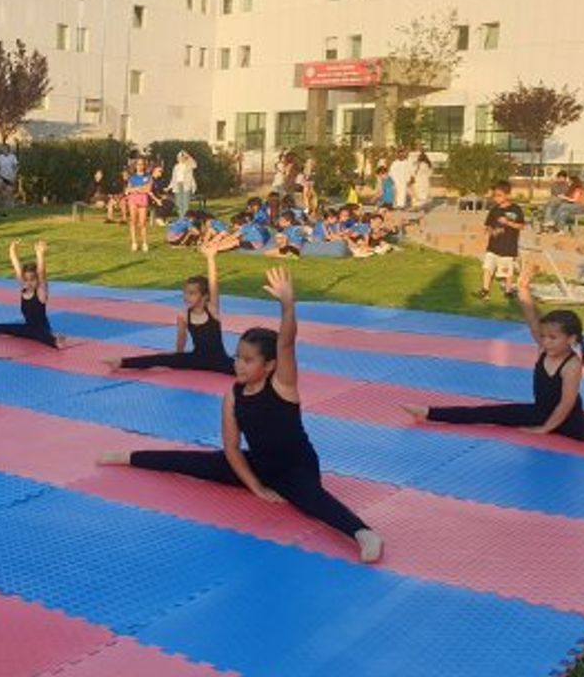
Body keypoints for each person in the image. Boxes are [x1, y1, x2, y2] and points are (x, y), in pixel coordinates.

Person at [99, 268, 385, 563]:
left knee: (311, 500)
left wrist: (288, 305)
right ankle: (130, 457)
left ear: (270, 365)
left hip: (296, 467)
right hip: (256, 465)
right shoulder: (232, 395)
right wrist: (255, 487)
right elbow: (232, 448)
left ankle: (363, 533)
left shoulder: (283, 386)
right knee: (191, 462)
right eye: (238, 357)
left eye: (248, 361)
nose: (239, 365)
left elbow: (286, 343)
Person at [403, 267, 584, 459]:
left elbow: (565, 404)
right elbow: (533, 319)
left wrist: (545, 429)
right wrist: (523, 289)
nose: (546, 342)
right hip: (537, 413)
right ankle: (429, 413)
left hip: (569, 420)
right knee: (487, 413)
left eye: (553, 338)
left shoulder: (572, 365)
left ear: (571, 340)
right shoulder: (545, 348)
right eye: (544, 337)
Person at [106, 244, 234, 373]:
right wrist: (177, 360)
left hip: (220, 361)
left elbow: (213, 284)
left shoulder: (212, 310)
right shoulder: (183, 315)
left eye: (192, 293)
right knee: (160, 358)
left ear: (205, 296)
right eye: (185, 293)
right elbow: (181, 339)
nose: (187, 297)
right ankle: (121, 362)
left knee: (243, 369)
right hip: (197, 359)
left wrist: (210, 258)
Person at [0, 239, 64, 348]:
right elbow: (17, 268)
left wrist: (40, 255)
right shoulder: (24, 288)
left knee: (42, 336)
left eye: (32, 280)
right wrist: (12, 250)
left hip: (42, 330)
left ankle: (56, 341)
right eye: (26, 280)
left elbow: (42, 274)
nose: (29, 283)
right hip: (27, 328)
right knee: (4, 328)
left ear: (37, 280)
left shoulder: (41, 293)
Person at [478, 180, 525, 301]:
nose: (496, 198)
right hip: (493, 246)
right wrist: (491, 231)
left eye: (499, 195)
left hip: (508, 247)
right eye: (494, 195)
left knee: (507, 271)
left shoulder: (516, 209)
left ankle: (508, 291)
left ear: (508, 195)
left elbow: (521, 226)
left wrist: (508, 222)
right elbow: (487, 226)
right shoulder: (494, 210)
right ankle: (485, 290)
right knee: (487, 267)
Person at [126, 157, 153, 252]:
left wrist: (136, 189)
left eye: (142, 164)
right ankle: (134, 242)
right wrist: (139, 188)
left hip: (143, 199)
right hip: (133, 199)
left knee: (142, 223)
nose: (140, 166)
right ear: (135, 166)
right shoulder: (132, 177)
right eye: (138, 164)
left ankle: (144, 242)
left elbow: (148, 189)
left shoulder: (148, 177)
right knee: (133, 221)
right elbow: (128, 190)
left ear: (144, 166)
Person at [170, 150, 198, 220]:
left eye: (183, 157)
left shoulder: (189, 165)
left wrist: (187, 155)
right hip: (177, 185)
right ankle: (181, 218)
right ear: (177, 158)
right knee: (178, 203)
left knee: (185, 203)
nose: (181, 159)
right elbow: (173, 177)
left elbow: (195, 165)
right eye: (180, 157)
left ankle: (185, 218)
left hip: (186, 185)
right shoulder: (176, 167)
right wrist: (170, 186)